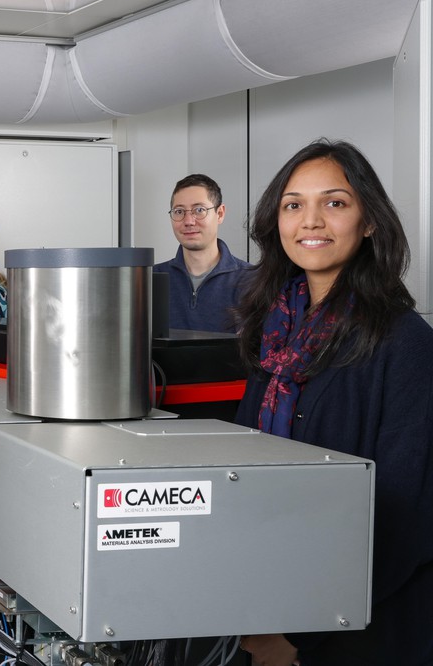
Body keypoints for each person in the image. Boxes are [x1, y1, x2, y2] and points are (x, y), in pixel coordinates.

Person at [232, 140, 433, 666]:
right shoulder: (271, 335)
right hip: (269, 591)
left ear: (369, 221)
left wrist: (301, 636)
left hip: (362, 626)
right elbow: (239, 466)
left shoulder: (405, 341)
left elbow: (405, 517)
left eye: (335, 203)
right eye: (293, 204)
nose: (311, 221)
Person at [153, 173, 252, 332]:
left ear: (220, 214)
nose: (188, 221)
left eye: (199, 210)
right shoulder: (151, 279)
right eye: (179, 211)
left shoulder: (253, 280)